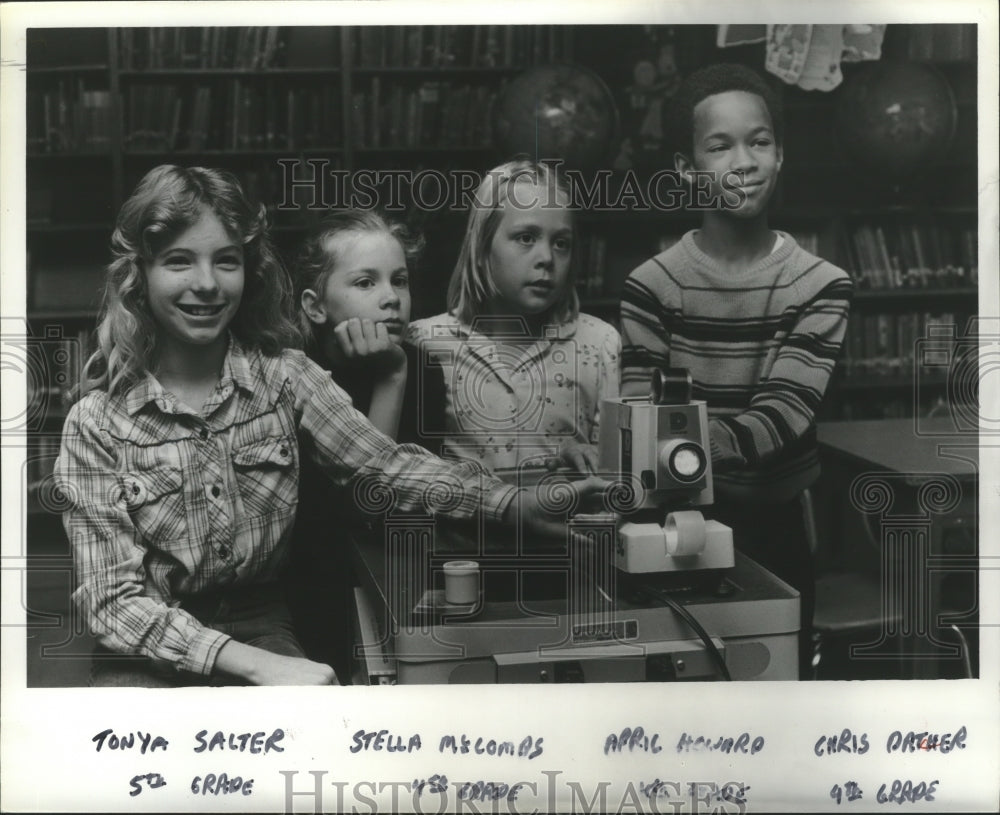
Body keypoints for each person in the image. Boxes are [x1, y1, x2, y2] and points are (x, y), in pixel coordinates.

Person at [54, 165, 602, 687]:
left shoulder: (285, 379)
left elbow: (385, 467)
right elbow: (113, 603)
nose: (207, 284)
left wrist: (516, 505)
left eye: (226, 261)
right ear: (139, 276)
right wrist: (257, 667)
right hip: (147, 643)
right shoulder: (97, 422)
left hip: (261, 617)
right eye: (178, 261)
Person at [618, 64, 853, 678]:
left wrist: (682, 448)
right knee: (680, 692)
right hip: (670, 526)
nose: (743, 160)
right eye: (719, 146)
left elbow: (784, 414)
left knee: (775, 687)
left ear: (781, 157)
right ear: (685, 169)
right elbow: (640, 416)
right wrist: (670, 453)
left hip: (777, 528)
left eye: (760, 141)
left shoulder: (820, 285)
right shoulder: (651, 286)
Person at [288, 209, 442, 680]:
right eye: (365, 283)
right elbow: (358, 506)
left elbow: (392, 509)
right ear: (316, 307)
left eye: (399, 280)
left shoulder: (421, 368)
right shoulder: (295, 374)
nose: (391, 298)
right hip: (310, 581)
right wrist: (390, 379)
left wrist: (394, 376)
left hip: (395, 566)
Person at [406, 158, 621, 475]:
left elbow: (615, 474)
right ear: (481, 250)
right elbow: (407, 471)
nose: (547, 258)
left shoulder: (599, 343)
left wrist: (589, 455)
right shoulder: (424, 341)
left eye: (561, 243)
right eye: (526, 238)